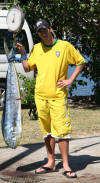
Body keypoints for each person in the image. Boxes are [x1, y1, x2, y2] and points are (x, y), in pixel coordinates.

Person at [16, 18, 86, 178]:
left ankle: (66, 166)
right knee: (47, 132)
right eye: (40, 31)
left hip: (58, 97)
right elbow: (27, 68)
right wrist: (23, 54)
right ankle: (51, 162)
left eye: (45, 29)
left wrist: (70, 80)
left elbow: (81, 62)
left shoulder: (64, 46)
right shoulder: (37, 48)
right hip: (41, 97)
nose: (43, 33)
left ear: (50, 28)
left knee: (62, 133)